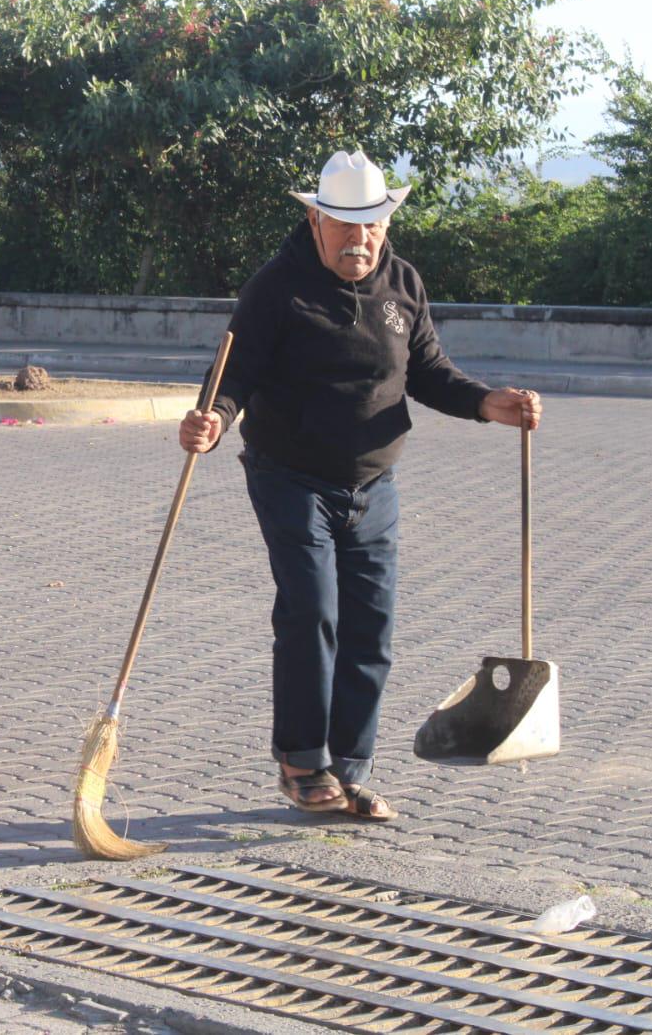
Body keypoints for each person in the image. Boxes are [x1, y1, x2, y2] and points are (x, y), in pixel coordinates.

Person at [180, 149, 541, 821]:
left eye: (371, 225)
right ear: (315, 220)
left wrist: (487, 403)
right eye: (345, 224)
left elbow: (428, 370)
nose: (359, 238)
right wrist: (214, 419)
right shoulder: (276, 287)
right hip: (289, 478)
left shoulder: (402, 283)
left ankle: (348, 770)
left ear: (386, 225)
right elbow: (234, 374)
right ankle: (301, 761)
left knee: (371, 628)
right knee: (312, 613)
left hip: (374, 485)